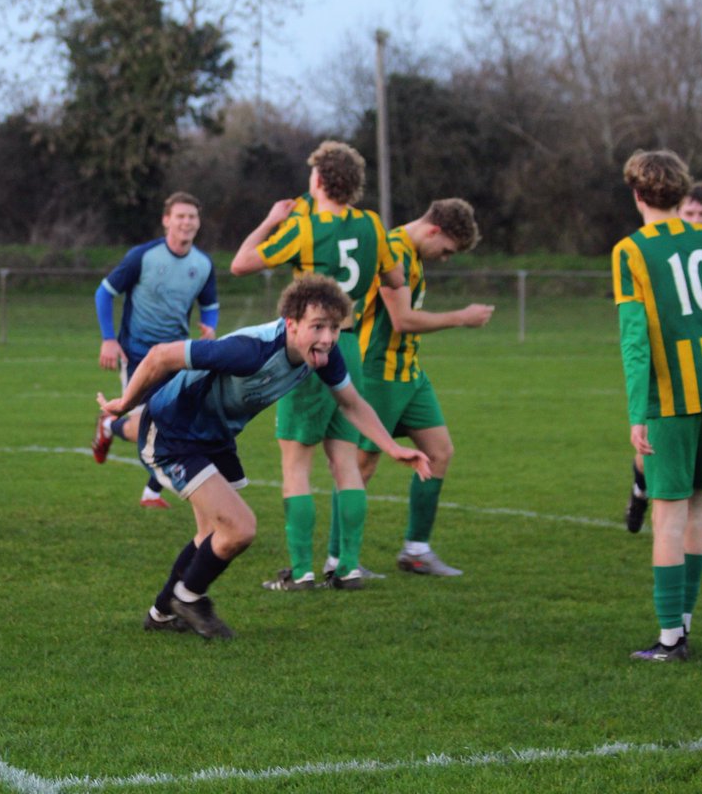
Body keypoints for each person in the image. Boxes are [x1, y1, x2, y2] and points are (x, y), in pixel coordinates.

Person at [99, 275, 432, 639]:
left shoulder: (323, 355)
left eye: (335, 328)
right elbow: (161, 356)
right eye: (318, 327)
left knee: (210, 533)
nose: (327, 338)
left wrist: (393, 447)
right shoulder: (250, 351)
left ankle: (161, 613)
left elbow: (351, 403)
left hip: (214, 437)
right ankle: (188, 598)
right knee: (239, 528)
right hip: (173, 432)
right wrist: (125, 404)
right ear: (291, 324)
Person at [229, 140, 392, 591]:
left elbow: (241, 263)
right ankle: (349, 566)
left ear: (317, 180)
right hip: (349, 345)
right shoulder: (372, 225)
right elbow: (395, 277)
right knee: (346, 464)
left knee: (296, 465)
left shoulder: (304, 229)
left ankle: (301, 572)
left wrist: (270, 221)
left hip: (309, 351)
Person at [614, 149, 702, 662]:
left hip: (671, 399)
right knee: (696, 515)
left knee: (667, 518)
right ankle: (683, 626)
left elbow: (635, 340)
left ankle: (669, 641)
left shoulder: (631, 251)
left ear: (637, 193)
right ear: (682, 191)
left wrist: (637, 414)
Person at [353, 199, 492, 577]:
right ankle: (341, 560)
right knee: (363, 464)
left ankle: (416, 551)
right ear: (434, 230)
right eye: (446, 250)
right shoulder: (395, 251)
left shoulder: (412, 254)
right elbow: (401, 319)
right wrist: (461, 317)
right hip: (378, 372)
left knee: (439, 452)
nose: (444, 258)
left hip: (409, 372)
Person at [624, 181, 702, 533]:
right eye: (689, 213)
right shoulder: (654, 251)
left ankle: (654, 501)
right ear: (677, 211)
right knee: (652, 453)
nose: (696, 220)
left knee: (691, 497)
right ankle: (640, 487)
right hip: (667, 376)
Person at [91, 191, 219, 508]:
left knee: (180, 423)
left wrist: (209, 326)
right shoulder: (143, 256)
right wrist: (108, 339)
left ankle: (151, 493)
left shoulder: (203, 264)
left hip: (176, 354)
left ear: (198, 222)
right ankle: (109, 425)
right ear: (166, 221)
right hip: (137, 354)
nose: (187, 222)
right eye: (180, 216)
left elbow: (210, 305)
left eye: (192, 216)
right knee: (146, 426)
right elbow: (104, 293)